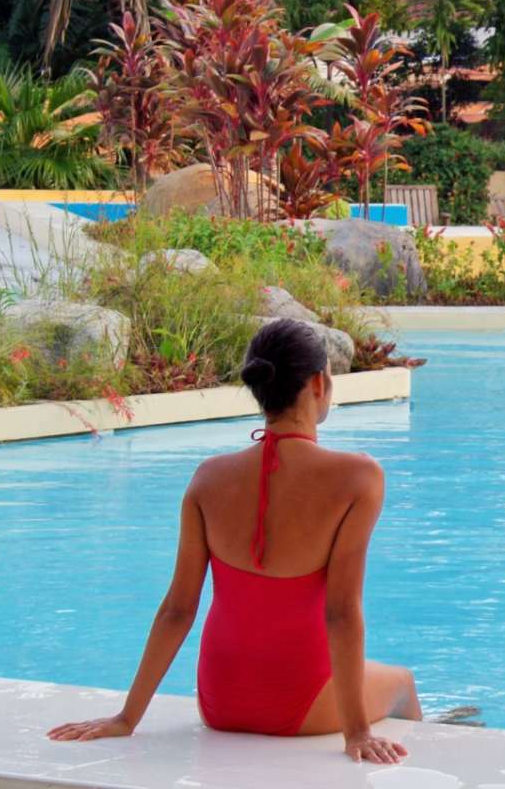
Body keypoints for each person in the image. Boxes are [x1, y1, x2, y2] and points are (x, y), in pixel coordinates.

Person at [48, 318, 417, 764]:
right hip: (300, 702)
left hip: (218, 702)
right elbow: (340, 613)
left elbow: (177, 610)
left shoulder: (208, 478)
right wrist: (356, 733)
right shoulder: (359, 478)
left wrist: (128, 717)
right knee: (403, 684)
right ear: (319, 384)